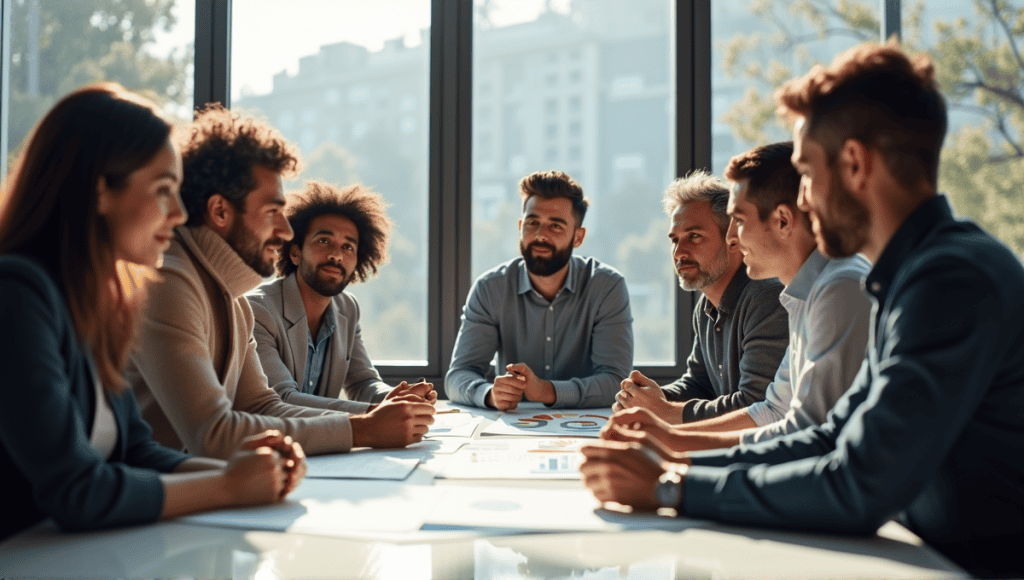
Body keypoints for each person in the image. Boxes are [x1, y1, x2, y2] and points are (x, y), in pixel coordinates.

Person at [580, 41, 1024, 578]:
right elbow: (828, 434)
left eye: (808, 174)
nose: (805, 202)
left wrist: (672, 486)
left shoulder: (951, 280)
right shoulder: (907, 279)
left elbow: (860, 482)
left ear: (856, 164)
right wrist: (675, 461)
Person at [0, 84, 306, 541]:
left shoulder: (96, 304)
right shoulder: (17, 294)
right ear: (101, 190)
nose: (181, 214)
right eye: (164, 190)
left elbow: (136, 450)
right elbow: (76, 490)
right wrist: (227, 484)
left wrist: (254, 474)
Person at [126, 105, 434, 460]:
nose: (286, 231)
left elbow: (262, 406)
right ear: (220, 212)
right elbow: (212, 433)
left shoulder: (233, 300)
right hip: (147, 504)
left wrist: (375, 418)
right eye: (273, 212)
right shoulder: (170, 281)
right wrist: (364, 428)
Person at [610, 142, 870, 451]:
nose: (732, 237)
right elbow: (773, 412)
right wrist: (660, 415)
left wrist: (675, 442)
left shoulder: (834, 289)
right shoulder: (800, 296)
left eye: (740, 221)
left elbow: (806, 432)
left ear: (783, 221)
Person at [446, 170, 633, 409]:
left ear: (578, 237)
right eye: (532, 223)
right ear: (520, 226)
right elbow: (458, 375)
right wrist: (489, 394)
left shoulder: (607, 287)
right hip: (511, 429)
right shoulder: (490, 288)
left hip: (588, 431)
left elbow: (615, 381)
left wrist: (546, 390)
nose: (540, 235)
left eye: (555, 226)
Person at [247, 181, 437, 414]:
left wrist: (398, 397)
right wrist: (375, 415)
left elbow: (362, 383)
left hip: (321, 447)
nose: (336, 255)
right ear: (295, 252)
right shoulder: (257, 310)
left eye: (348, 247)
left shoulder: (348, 308)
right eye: (324, 241)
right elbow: (282, 399)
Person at [612, 172, 788, 423]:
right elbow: (699, 385)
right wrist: (646, 399)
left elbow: (755, 406)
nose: (679, 252)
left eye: (694, 236)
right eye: (675, 239)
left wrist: (662, 410)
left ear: (734, 240)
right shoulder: (705, 307)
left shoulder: (767, 298)